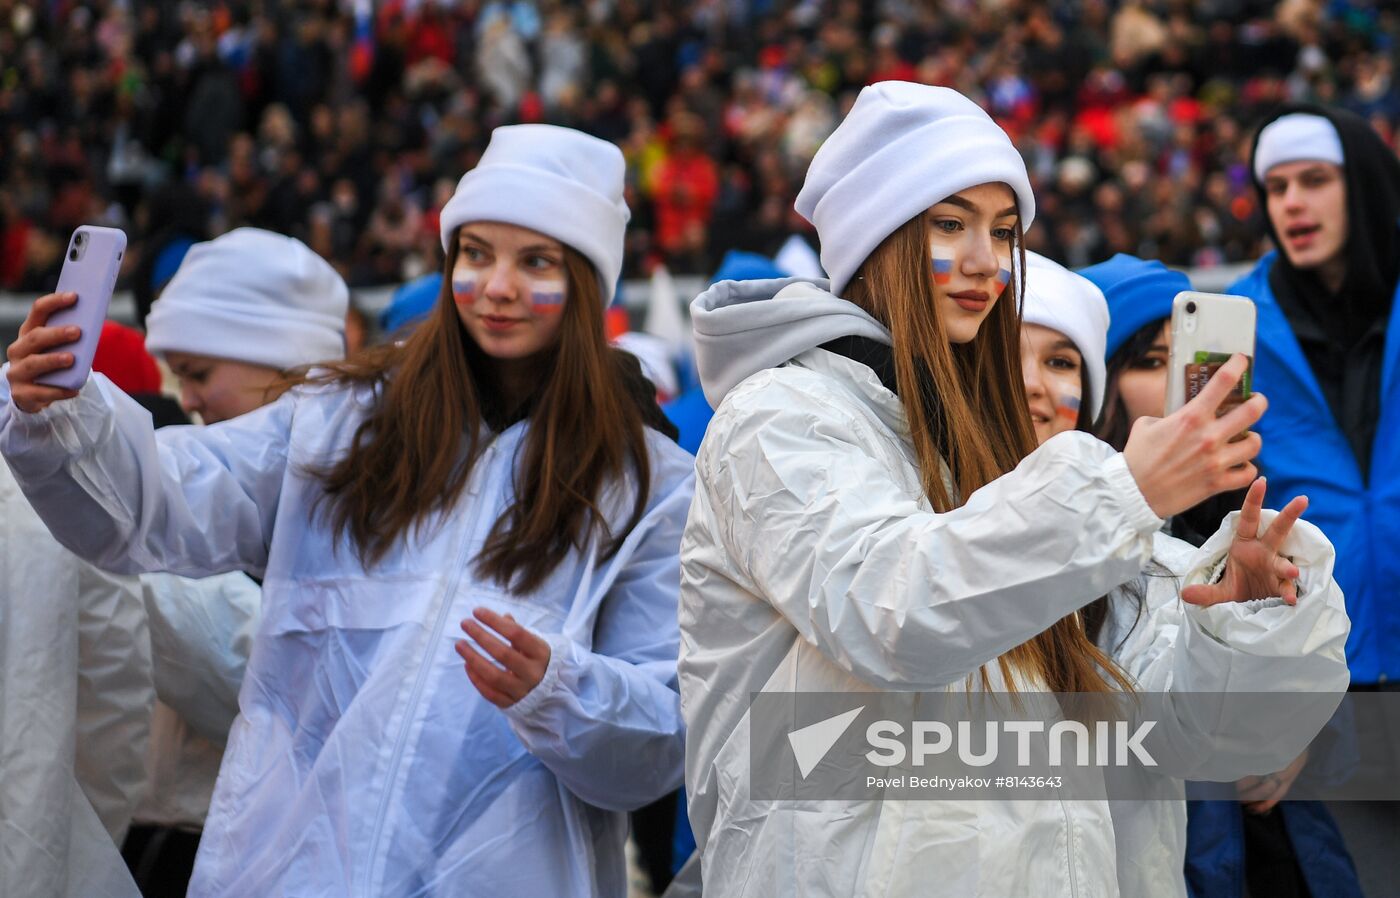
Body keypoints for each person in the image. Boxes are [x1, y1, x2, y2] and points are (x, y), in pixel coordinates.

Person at [1, 124, 693, 897]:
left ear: (589, 284)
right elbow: (157, 504)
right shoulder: (338, 420)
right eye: (476, 254)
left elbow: (664, 734)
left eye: (536, 262)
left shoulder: (649, 483)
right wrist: (61, 415)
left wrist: (561, 689)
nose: (498, 286)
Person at [678, 81, 1317, 896]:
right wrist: (1123, 491)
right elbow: (890, 609)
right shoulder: (779, 416)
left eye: (1003, 231)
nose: (986, 260)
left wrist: (1241, 619)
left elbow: (1179, 732)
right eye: (950, 225)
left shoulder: (1000, 459)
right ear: (879, 235)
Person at [1020, 251, 1354, 898]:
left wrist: (1292, 735)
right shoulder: (1040, 535)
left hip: (1263, 844)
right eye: (1149, 361)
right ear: (1100, 385)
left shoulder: (1247, 507)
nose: (1185, 378)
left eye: (1193, 353)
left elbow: (1310, 687)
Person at [119, 228, 348, 897]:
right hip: (186, 832)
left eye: (198, 375)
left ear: (284, 366)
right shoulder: (186, 478)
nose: (185, 399)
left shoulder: (363, 494)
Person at [1227, 106, 1400, 896]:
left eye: (1315, 181)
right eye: (1276, 186)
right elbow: (1215, 521)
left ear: (1361, 184)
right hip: (1326, 689)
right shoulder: (1239, 327)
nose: (1291, 202)